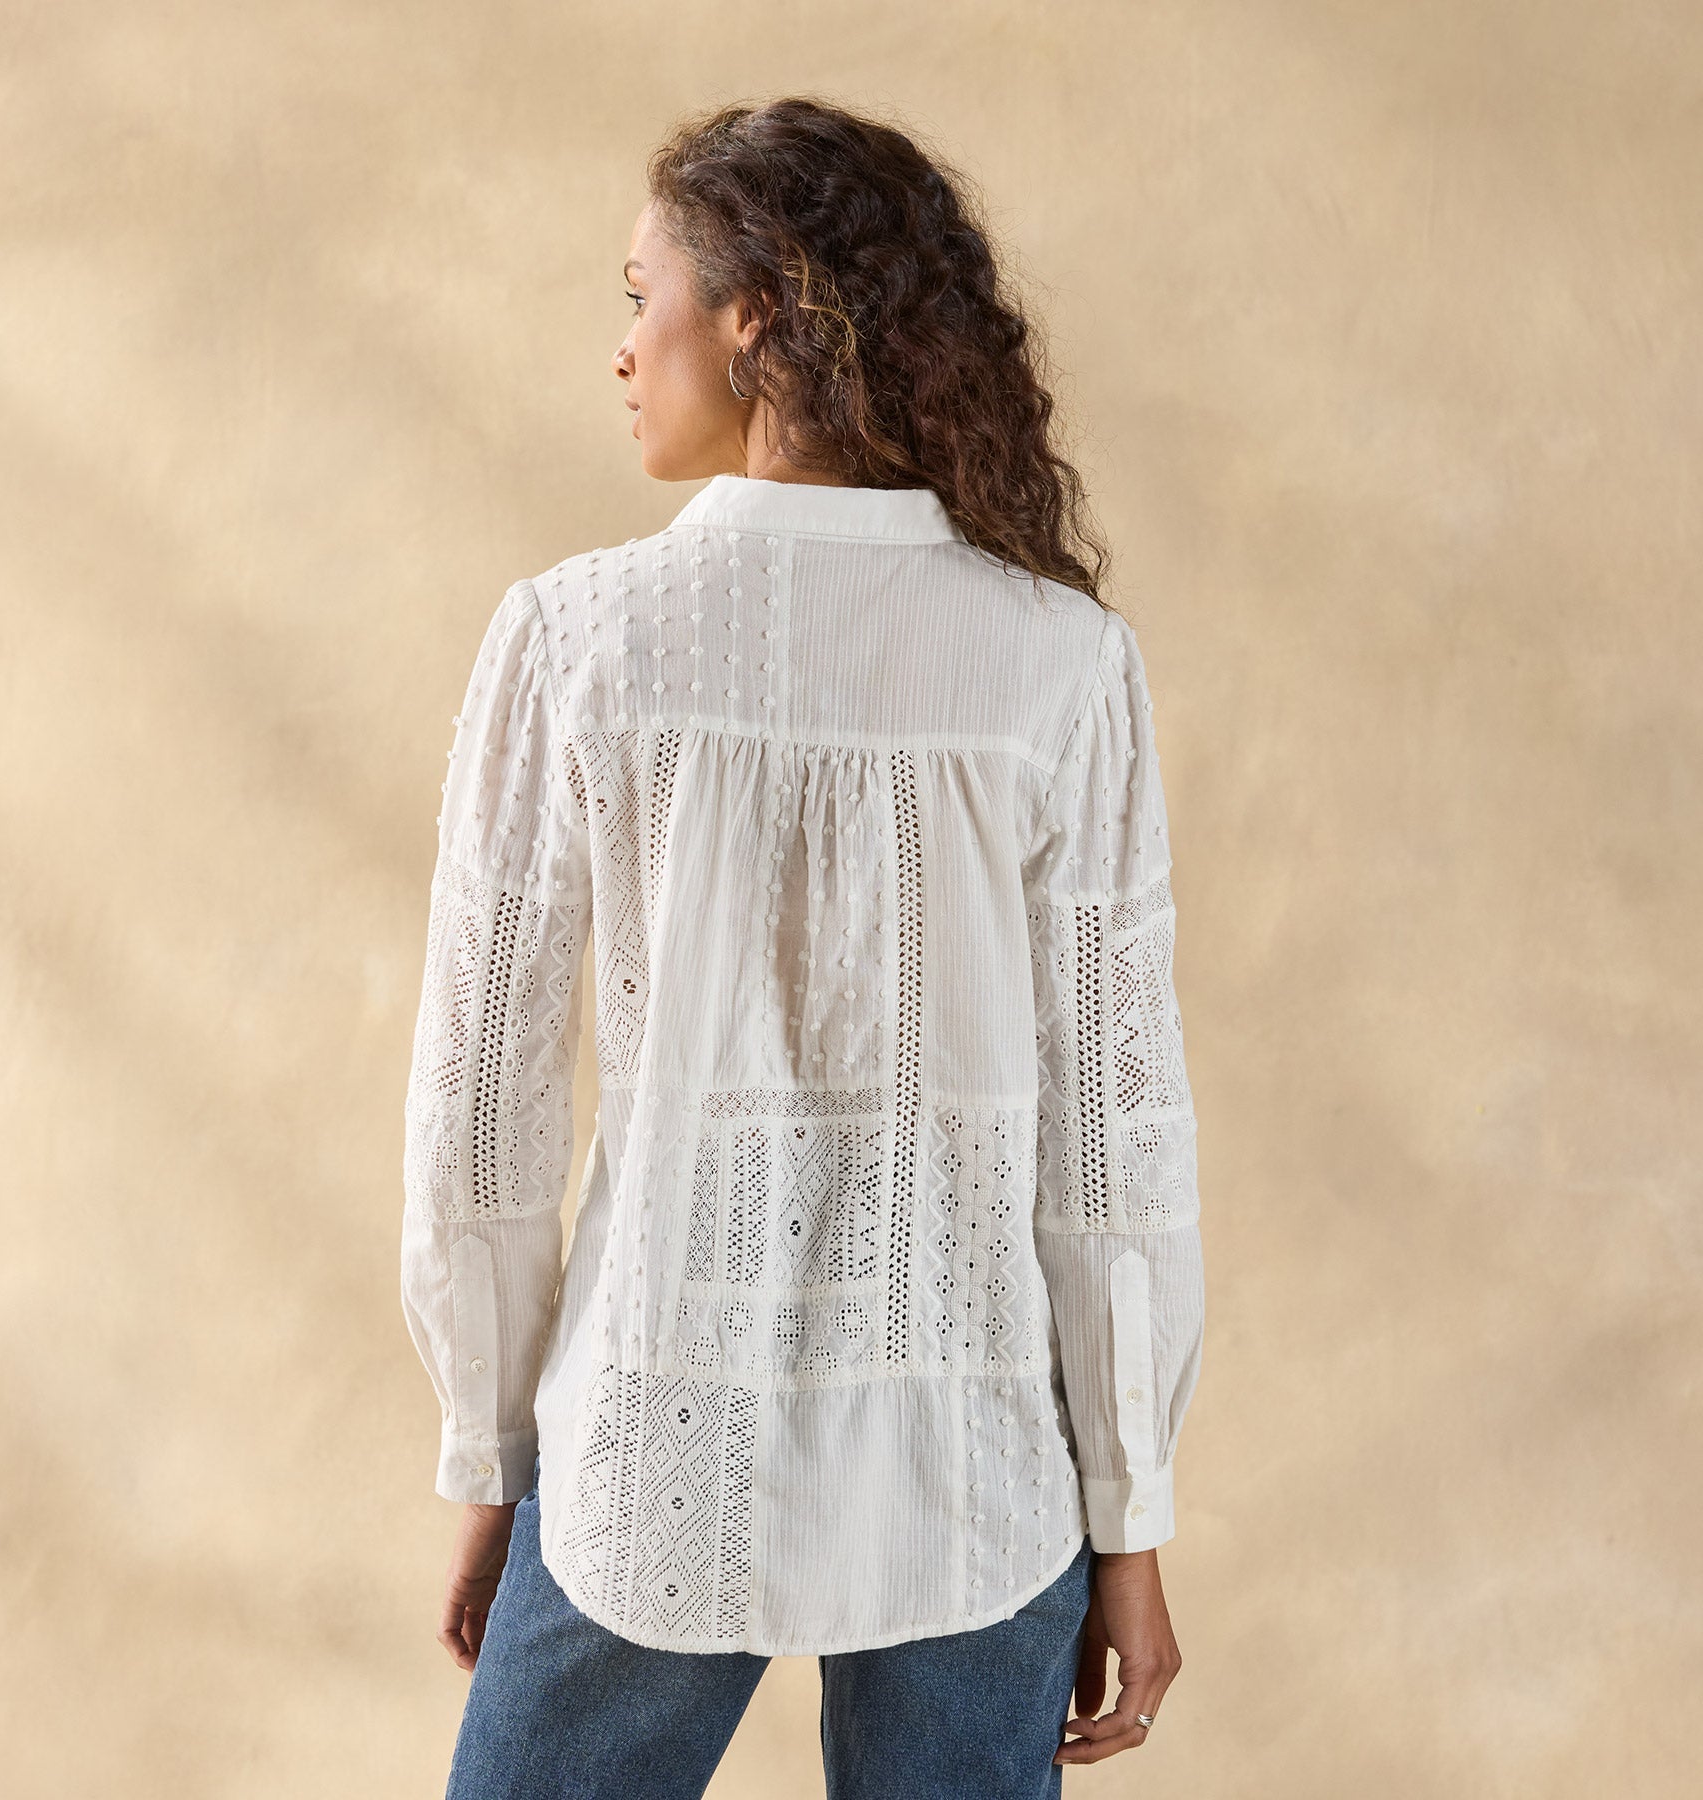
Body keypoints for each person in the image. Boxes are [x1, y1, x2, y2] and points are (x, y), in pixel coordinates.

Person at [399, 96, 1205, 1799]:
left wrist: (491, 1447)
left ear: (758, 314)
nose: (624, 350)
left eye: (644, 298)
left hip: (647, 1447)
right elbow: (1115, 1146)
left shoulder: (576, 640)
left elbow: (483, 1113)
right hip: (977, 1473)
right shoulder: (1062, 660)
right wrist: (1127, 1516)